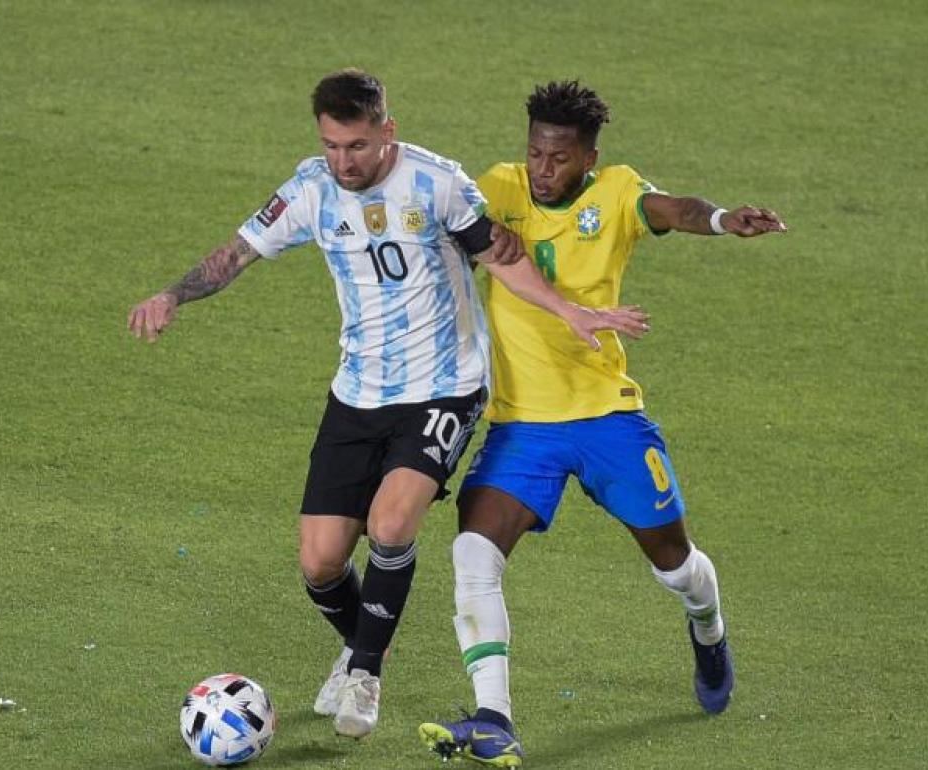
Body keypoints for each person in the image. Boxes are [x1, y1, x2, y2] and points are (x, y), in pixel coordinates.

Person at [127, 70, 649, 740]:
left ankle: (365, 674)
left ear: (386, 132)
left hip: (445, 385)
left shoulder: (437, 184)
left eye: (356, 146)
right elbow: (235, 254)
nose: (343, 161)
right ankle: (362, 645)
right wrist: (172, 295)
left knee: (393, 519)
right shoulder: (310, 189)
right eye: (332, 145)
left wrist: (567, 310)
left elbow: (500, 256)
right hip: (358, 392)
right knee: (319, 563)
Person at [419, 80, 787, 766]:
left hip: (608, 419)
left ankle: (707, 628)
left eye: (559, 157)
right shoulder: (499, 188)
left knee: (676, 568)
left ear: (589, 157)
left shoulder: (615, 192)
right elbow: (439, 213)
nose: (542, 169)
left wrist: (722, 218)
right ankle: (495, 716)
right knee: (472, 553)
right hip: (522, 426)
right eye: (534, 152)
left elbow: (673, 207)